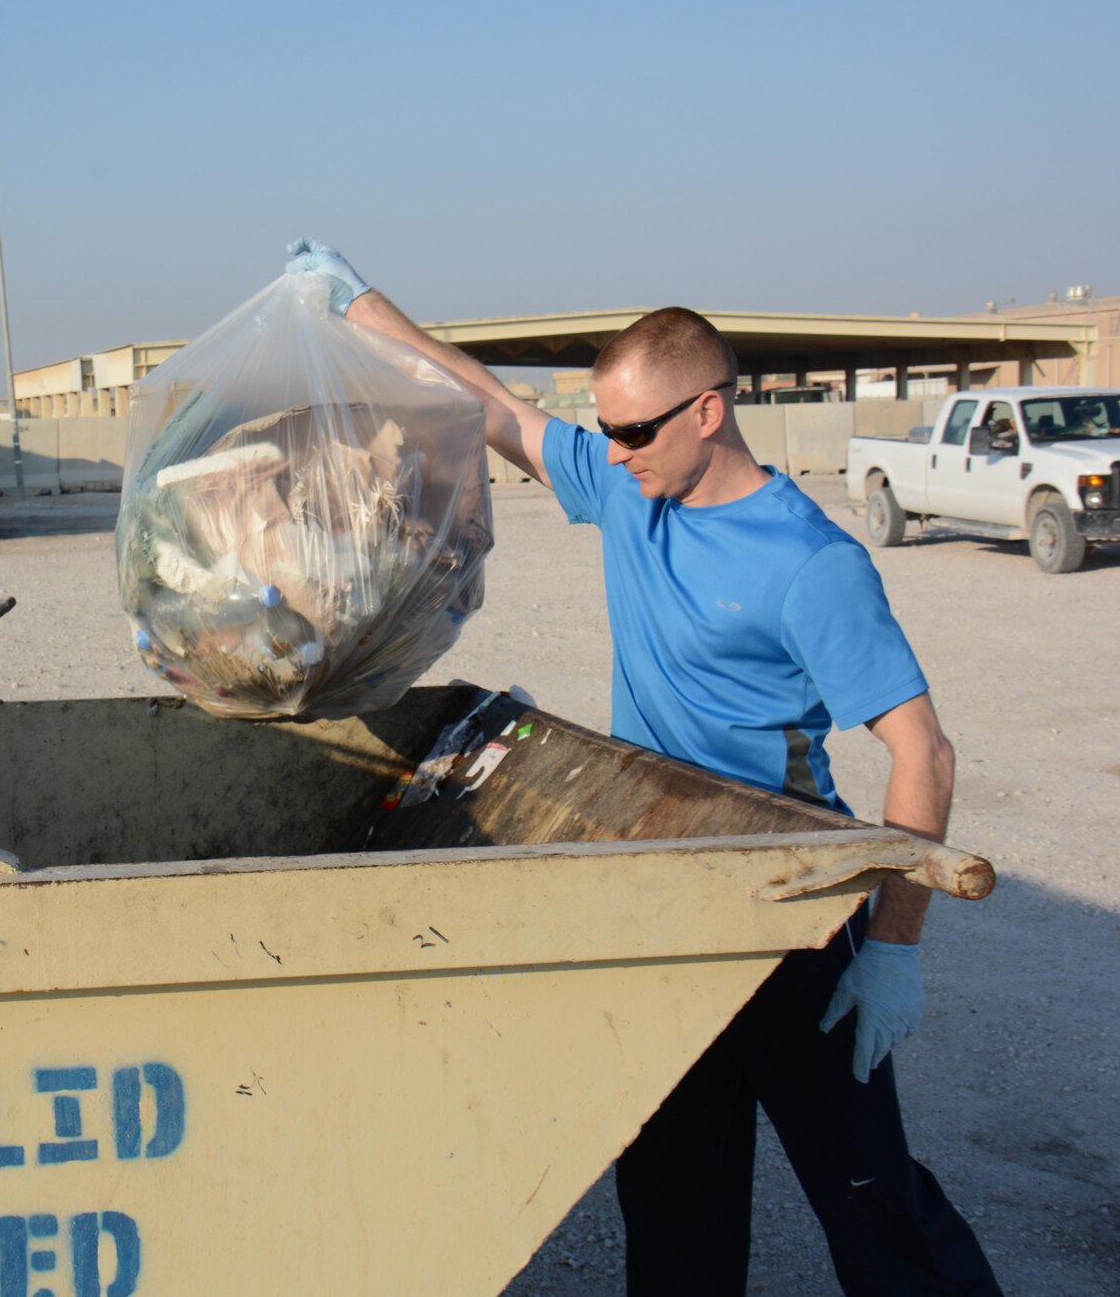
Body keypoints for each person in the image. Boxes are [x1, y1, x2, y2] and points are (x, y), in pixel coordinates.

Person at [284, 239, 1002, 1297]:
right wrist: (357, 304)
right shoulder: (632, 494)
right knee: (668, 1191)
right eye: (604, 428)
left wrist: (892, 944)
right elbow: (489, 402)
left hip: (788, 910)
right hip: (661, 901)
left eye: (630, 429)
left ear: (706, 411)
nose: (610, 450)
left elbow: (920, 752)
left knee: (865, 1190)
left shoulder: (808, 563)